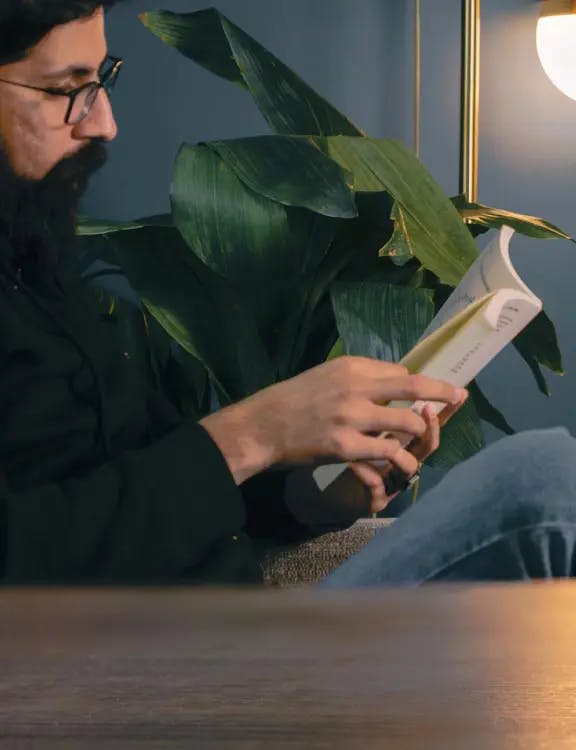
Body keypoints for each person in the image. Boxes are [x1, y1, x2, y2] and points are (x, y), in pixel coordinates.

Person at [0, 1, 575, 586]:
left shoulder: (38, 276)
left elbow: (167, 497)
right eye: (62, 88)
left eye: (101, 78)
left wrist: (322, 493)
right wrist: (254, 432)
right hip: (150, 667)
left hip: (237, 633)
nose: (103, 123)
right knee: (543, 479)